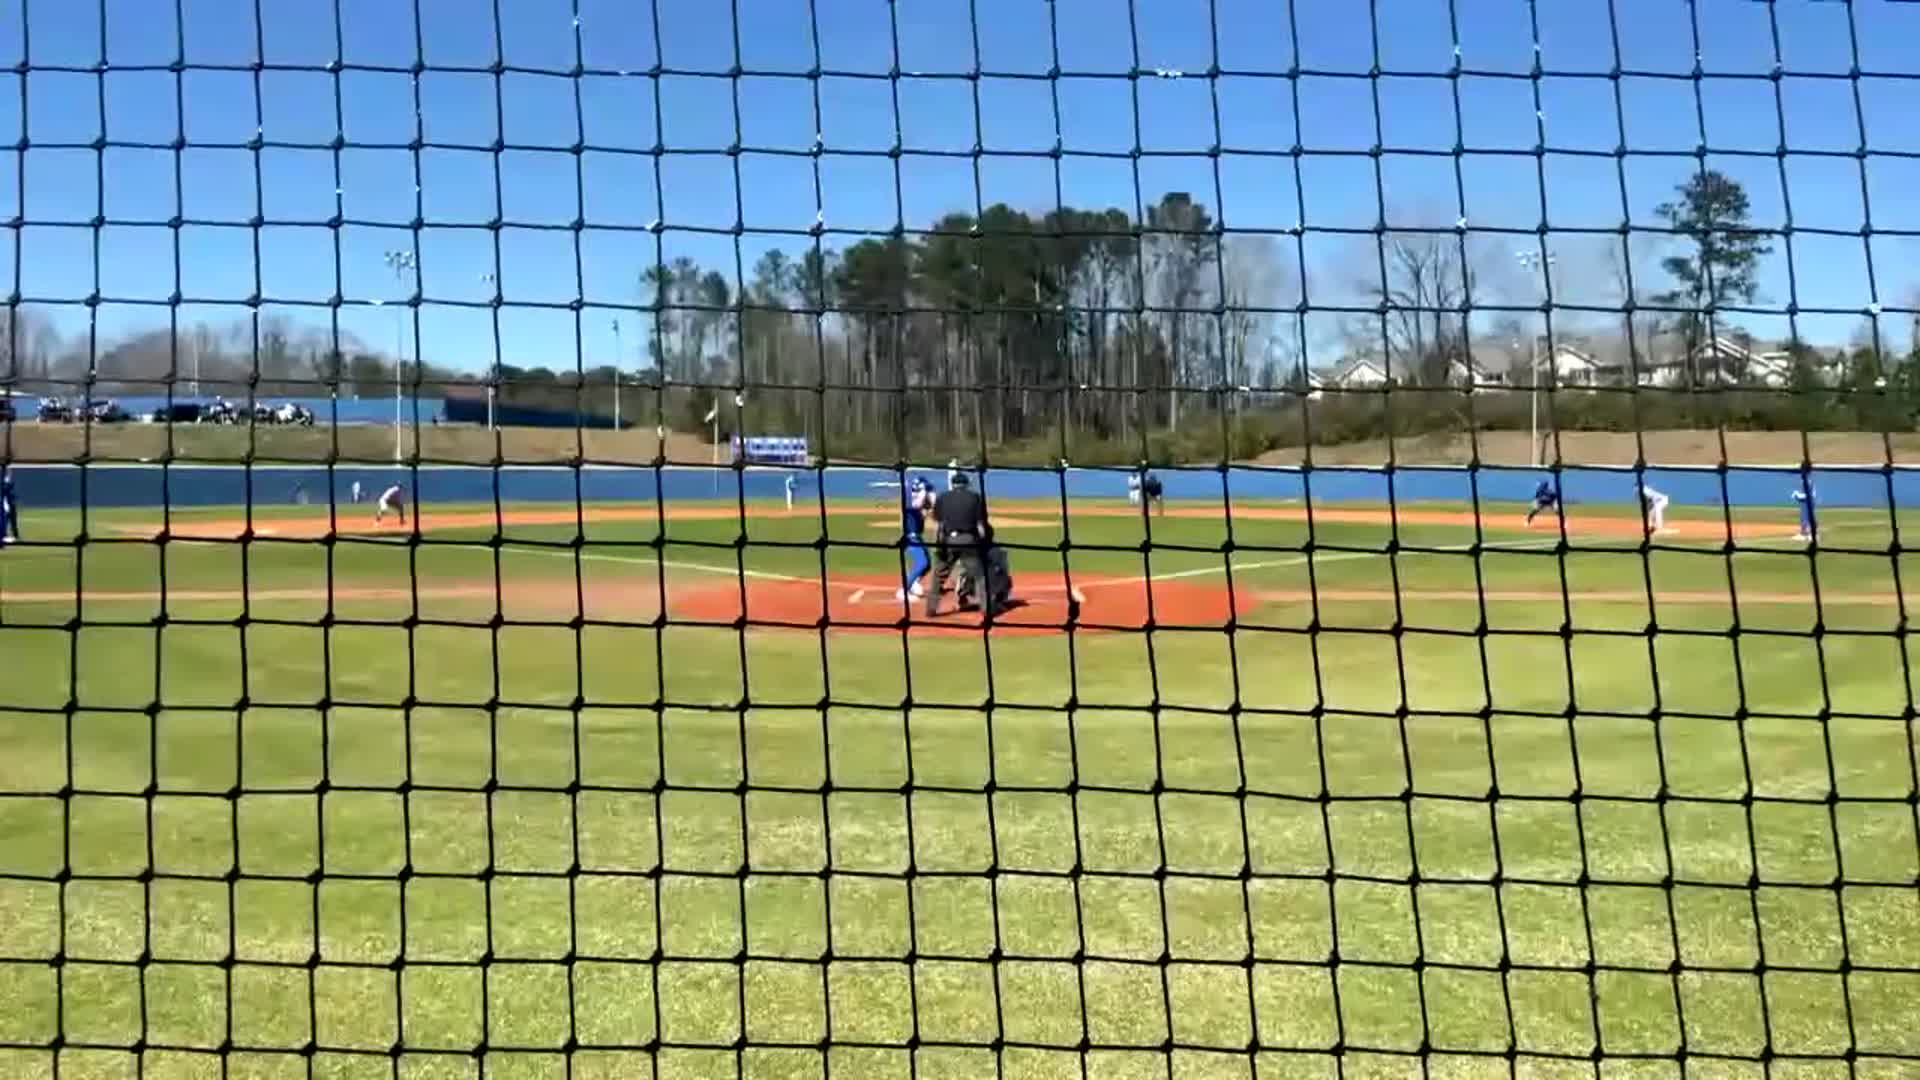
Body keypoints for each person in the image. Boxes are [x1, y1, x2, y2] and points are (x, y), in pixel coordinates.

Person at [927, 472, 996, 618]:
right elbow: (980, 526)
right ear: (966, 484)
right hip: (969, 540)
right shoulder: (975, 497)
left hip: (947, 541)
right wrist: (983, 543)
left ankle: (931, 609)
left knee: (938, 576)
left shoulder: (942, 498)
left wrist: (938, 544)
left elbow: (939, 525)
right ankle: (986, 610)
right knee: (979, 576)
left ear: (953, 484)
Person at [895, 475, 936, 602]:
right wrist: (925, 495)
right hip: (910, 537)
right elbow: (916, 505)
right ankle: (903, 591)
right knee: (921, 563)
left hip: (916, 537)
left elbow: (929, 511)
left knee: (927, 565)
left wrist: (930, 503)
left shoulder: (918, 501)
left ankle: (913, 583)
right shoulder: (909, 500)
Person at [0, 466, 17, 546]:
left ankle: (8, 536)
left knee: (7, 522)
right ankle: (3, 538)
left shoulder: (7, 482)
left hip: (7, 505)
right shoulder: (5, 483)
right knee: (4, 522)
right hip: (5, 506)